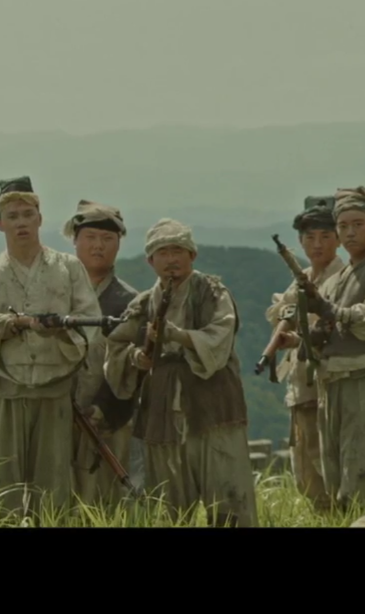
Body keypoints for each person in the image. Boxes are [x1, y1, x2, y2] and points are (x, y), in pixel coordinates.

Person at [0, 176, 100, 518]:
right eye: (13, 216)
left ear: (40, 219)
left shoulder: (68, 268)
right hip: (6, 391)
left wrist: (60, 331)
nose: (21, 223)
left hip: (55, 393)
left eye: (28, 214)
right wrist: (4, 324)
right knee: (3, 491)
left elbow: (90, 324)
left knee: (54, 491)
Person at [103, 218, 259, 527]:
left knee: (228, 495)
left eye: (178, 251)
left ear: (192, 255)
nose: (171, 259)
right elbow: (116, 344)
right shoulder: (143, 304)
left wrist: (179, 336)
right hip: (162, 409)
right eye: (163, 253)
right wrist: (137, 358)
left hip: (214, 406)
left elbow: (221, 336)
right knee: (169, 503)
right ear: (150, 261)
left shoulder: (212, 292)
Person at [302, 187, 365, 511]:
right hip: (335, 382)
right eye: (343, 225)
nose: (349, 232)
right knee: (338, 471)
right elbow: (328, 324)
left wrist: (333, 312)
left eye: (358, 224)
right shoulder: (339, 277)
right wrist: (315, 332)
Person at [263, 196, 345, 509]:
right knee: (306, 473)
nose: (317, 244)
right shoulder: (304, 277)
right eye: (310, 237)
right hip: (301, 386)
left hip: (329, 384)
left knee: (331, 467)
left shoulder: (344, 277)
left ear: (338, 238)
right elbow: (278, 312)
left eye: (325, 236)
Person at [64, 199, 141, 506]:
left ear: (118, 243)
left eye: (107, 238)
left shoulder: (129, 301)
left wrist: (101, 408)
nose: (98, 246)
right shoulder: (57, 293)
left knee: (106, 500)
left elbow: (133, 369)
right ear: (75, 240)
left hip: (108, 419)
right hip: (56, 412)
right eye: (91, 237)